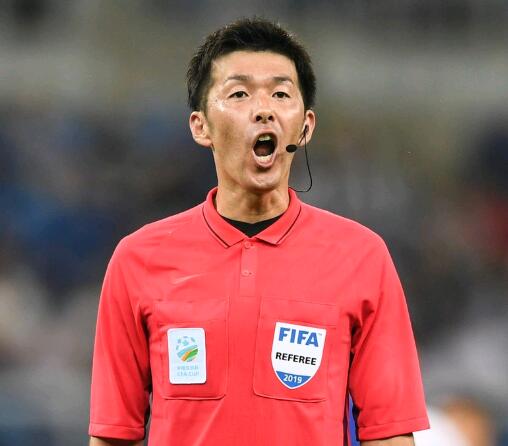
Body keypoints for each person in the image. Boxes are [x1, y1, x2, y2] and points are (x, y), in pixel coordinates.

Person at [88, 18, 429, 446]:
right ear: (201, 126)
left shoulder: (362, 257)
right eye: (239, 93)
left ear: (305, 126)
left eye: (281, 93)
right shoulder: (137, 260)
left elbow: (390, 434)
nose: (263, 109)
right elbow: (114, 434)